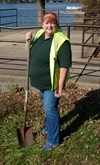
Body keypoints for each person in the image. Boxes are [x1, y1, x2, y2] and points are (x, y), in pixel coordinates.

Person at [26, 12, 72, 150]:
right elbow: (29, 53)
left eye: (52, 22)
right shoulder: (40, 34)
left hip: (52, 84)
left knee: (50, 109)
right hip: (40, 82)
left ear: (56, 24)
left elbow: (65, 66)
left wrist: (60, 86)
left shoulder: (61, 40)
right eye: (47, 22)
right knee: (49, 108)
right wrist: (27, 40)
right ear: (42, 24)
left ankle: (53, 140)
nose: (49, 25)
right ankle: (47, 127)